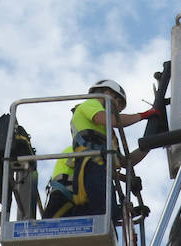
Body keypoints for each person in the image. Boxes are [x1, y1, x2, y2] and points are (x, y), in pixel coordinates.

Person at [43, 79, 160, 219]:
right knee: (102, 208)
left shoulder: (106, 136)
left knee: (102, 205)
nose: (118, 110)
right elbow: (113, 120)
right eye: (118, 104)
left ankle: (117, 212)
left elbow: (125, 162)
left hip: (99, 166)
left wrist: (150, 143)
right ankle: (117, 212)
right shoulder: (91, 104)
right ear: (107, 93)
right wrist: (142, 115)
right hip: (91, 163)